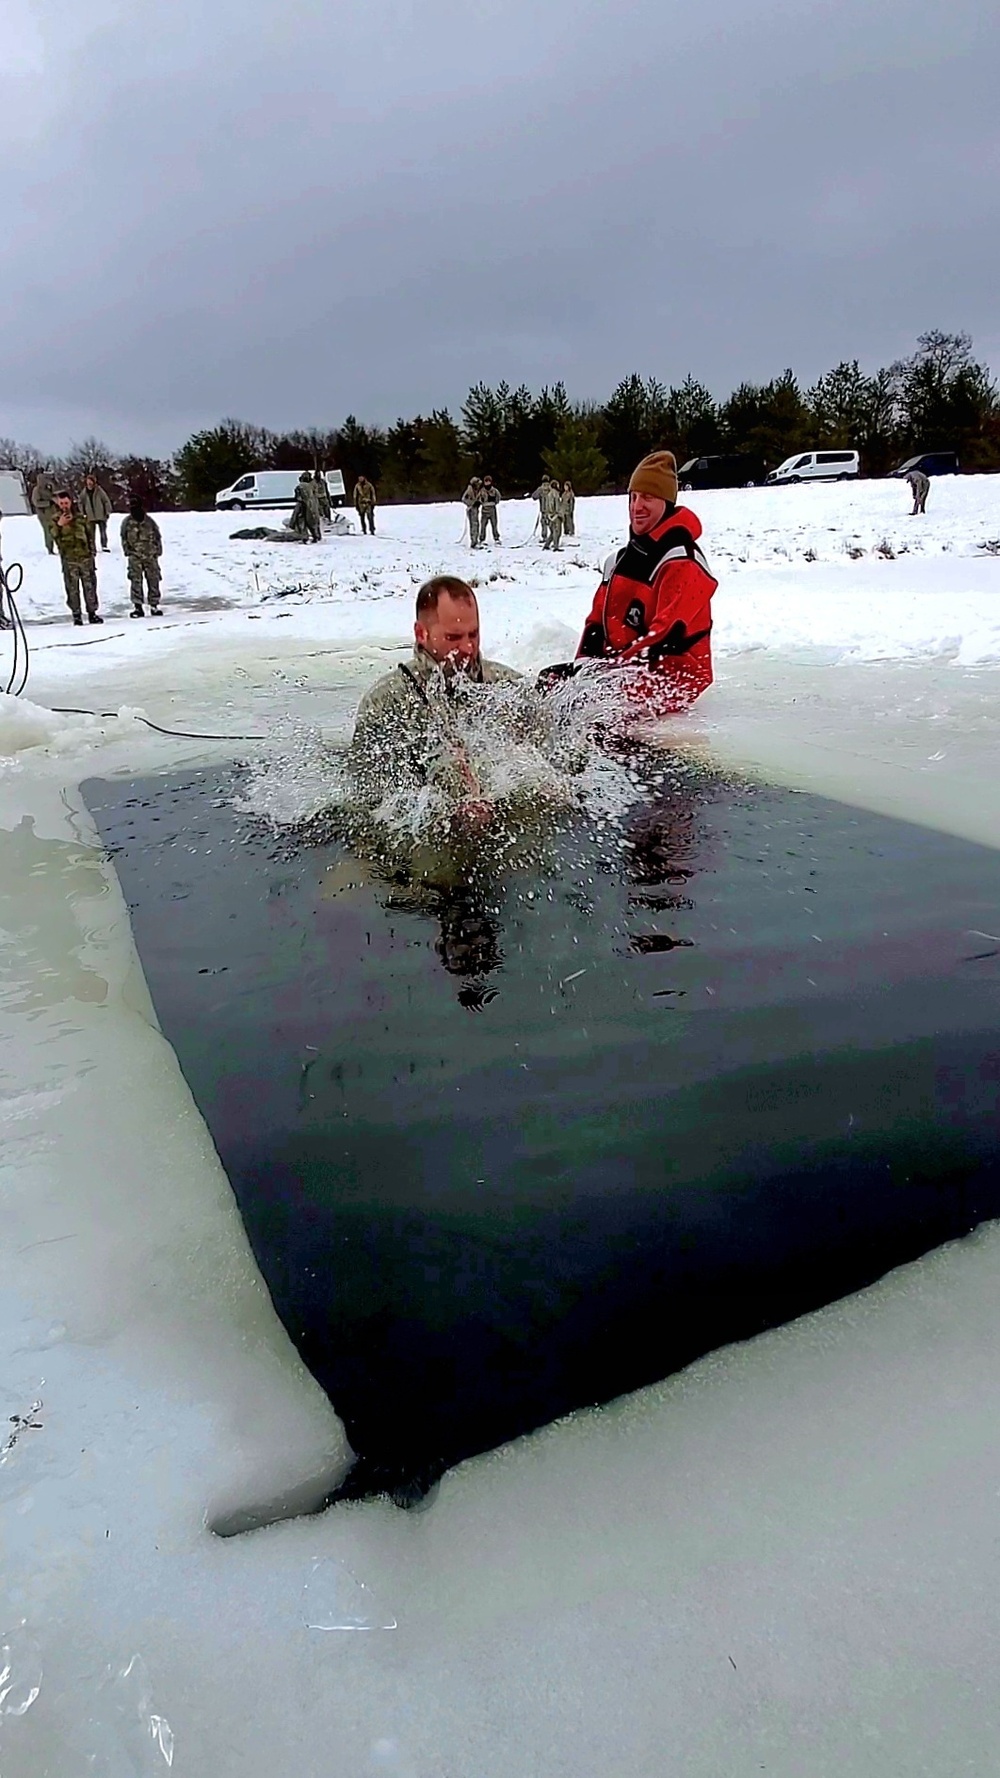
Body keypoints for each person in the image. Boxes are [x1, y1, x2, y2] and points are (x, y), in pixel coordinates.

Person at [348, 575, 519, 821]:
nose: (468, 648)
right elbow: (373, 807)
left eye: (473, 634)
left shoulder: (507, 685)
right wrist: (448, 819)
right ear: (421, 633)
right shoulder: (385, 703)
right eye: (454, 637)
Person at [574, 450, 717, 713]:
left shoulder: (684, 563)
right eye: (633, 497)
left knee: (591, 713)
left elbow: (663, 637)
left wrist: (606, 675)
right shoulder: (617, 562)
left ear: (666, 503)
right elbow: (596, 622)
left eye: (648, 497)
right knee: (554, 687)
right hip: (626, 672)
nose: (637, 506)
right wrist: (581, 669)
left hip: (674, 679)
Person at [52, 492, 101, 625]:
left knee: (90, 586)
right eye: (61, 503)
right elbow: (53, 538)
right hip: (69, 559)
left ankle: (92, 613)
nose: (64, 506)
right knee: (72, 588)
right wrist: (60, 525)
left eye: (66, 503)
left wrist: (92, 552)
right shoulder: (55, 519)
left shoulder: (80, 517)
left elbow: (89, 535)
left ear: (71, 502)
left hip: (85, 557)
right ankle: (76, 614)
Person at [120, 498, 163, 616]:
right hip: (135, 556)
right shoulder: (127, 522)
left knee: (153, 579)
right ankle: (137, 606)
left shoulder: (149, 522)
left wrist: (157, 551)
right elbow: (123, 537)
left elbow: (157, 536)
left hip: (150, 555)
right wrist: (128, 551)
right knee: (135, 581)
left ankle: (154, 605)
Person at [79, 472, 113, 551]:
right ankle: (92, 547)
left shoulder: (100, 491)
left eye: (91, 481)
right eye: (88, 482)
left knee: (103, 532)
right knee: (91, 534)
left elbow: (106, 501)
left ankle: (104, 546)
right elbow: (80, 502)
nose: (89, 483)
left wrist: (107, 512)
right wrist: (83, 512)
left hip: (101, 515)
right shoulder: (84, 492)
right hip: (90, 516)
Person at [31, 471, 58, 554]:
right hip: (44, 515)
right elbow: (36, 502)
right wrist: (49, 503)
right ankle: (49, 548)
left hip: (53, 513)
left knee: (56, 531)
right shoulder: (37, 490)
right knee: (48, 532)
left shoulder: (49, 488)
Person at [531, 474, 553, 546]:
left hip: (543, 510)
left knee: (544, 524)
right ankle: (553, 536)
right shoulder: (551, 488)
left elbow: (534, 496)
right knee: (551, 524)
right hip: (551, 509)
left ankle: (544, 537)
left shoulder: (540, 489)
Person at [542, 480, 563, 552]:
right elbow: (557, 505)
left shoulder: (549, 494)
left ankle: (546, 545)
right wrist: (558, 514)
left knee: (552, 532)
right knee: (557, 532)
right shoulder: (555, 494)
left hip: (549, 515)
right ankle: (556, 546)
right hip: (555, 515)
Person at [479, 476, 501, 544]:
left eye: (489, 481)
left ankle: (496, 538)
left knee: (494, 524)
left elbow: (498, 497)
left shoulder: (494, 490)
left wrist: (494, 502)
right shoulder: (481, 491)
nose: (487, 483)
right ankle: (482, 539)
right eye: (486, 481)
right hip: (484, 509)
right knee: (483, 525)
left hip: (492, 509)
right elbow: (478, 498)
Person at [462, 477, 483, 548]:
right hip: (470, 509)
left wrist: (479, 502)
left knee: (476, 524)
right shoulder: (469, 490)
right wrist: (471, 503)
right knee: (473, 525)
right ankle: (474, 541)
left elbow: (480, 498)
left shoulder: (478, 491)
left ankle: (475, 540)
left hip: (476, 509)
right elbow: (464, 499)